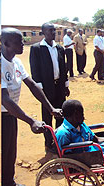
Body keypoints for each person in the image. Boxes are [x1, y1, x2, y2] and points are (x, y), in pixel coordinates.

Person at [1, 27, 62, 186]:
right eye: (19, 41)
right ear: (6, 43)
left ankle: (9, 182)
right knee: (1, 154)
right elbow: (4, 99)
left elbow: (33, 85)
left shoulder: (16, 61)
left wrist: (50, 108)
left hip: (10, 115)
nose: (23, 43)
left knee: (9, 154)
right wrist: (31, 121)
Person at [29, 23, 70, 153]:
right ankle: (49, 143)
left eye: (54, 30)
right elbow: (35, 70)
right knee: (47, 116)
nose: (53, 32)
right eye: (50, 30)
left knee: (61, 115)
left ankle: (59, 141)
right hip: (46, 87)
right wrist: (40, 90)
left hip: (59, 86)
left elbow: (63, 68)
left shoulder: (59, 48)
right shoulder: (37, 49)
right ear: (44, 32)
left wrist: (66, 85)